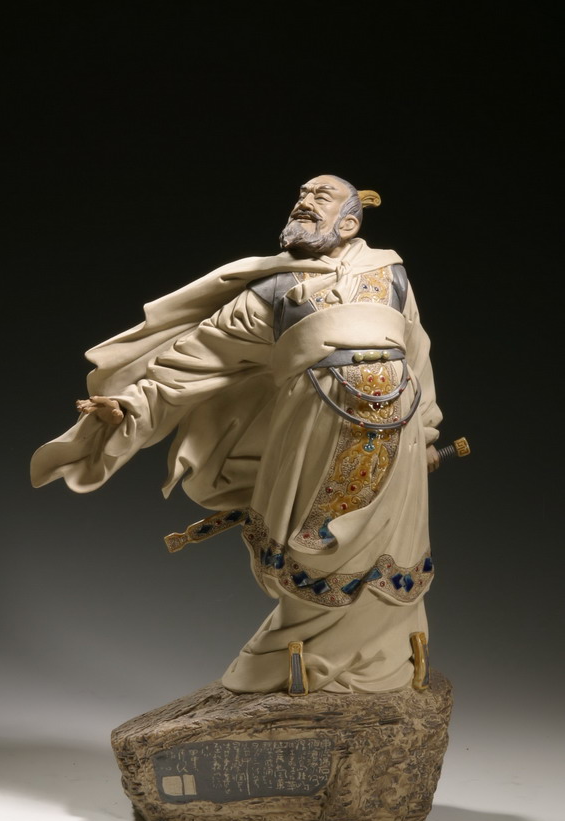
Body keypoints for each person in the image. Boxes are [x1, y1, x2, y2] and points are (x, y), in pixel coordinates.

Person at [31, 175, 442, 695]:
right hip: (316, 436)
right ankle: (300, 660)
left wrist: (428, 432)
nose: (304, 203)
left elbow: (417, 354)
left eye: (320, 198)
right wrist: (132, 404)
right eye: (301, 196)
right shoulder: (275, 289)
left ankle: (385, 665)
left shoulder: (391, 273)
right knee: (320, 551)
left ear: (351, 222)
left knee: (390, 553)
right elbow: (197, 357)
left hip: (398, 436)